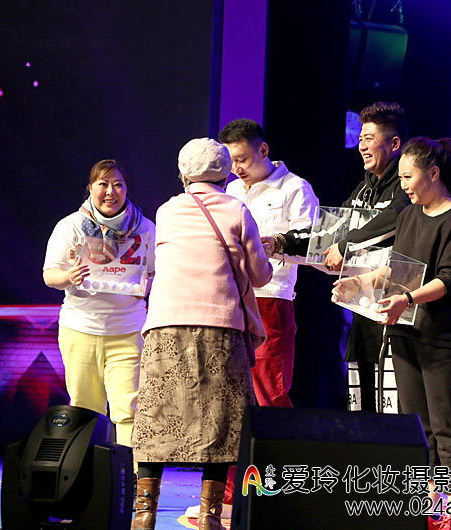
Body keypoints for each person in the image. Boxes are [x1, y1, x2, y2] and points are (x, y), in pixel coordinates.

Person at [130, 138, 272, 530]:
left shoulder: (167, 210)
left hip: (165, 325)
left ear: (183, 174)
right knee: (221, 420)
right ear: (225, 174)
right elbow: (260, 275)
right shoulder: (237, 209)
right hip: (220, 326)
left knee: (156, 417)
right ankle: (209, 515)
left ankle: (144, 513)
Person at [333, 135, 451, 483]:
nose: (403, 186)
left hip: (443, 339)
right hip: (405, 333)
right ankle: (428, 497)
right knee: (418, 426)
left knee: (446, 427)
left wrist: (409, 298)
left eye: (407, 177)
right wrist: (358, 282)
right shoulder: (410, 216)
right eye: (400, 177)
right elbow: (399, 268)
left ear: (433, 173)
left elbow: (449, 279)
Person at [265, 101, 410, 411]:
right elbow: (329, 232)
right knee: (360, 401)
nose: (362, 146)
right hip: (362, 309)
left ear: (394, 143)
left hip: (396, 313)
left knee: (392, 408)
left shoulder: (406, 187)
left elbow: (395, 217)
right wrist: (281, 242)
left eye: (369, 138)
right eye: (360, 139)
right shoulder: (362, 190)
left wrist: (347, 245)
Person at [43, 159, 155, 447]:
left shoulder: (146, 228)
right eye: (103, 184)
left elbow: (159, 273)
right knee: (84, 408)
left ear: (126, 189)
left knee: (128, 408)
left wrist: (147, 285)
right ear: (90, 188)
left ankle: (129, 473)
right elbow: (50, 275)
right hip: (80, 328)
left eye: (118, 184)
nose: (110, 191)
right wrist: (69, 276)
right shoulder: (70, 226)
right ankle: (85, 471)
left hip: (128, 330)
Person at [219, 118, 319, 408]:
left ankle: (277, 440)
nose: (237, 168)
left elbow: (313, 247)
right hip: (232, 298)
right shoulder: (232, 190)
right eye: (231, 162)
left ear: (263, 150)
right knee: (230, 388)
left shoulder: (294, 188)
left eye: (242, 159)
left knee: (269, 389)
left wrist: (275, 245)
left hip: (270, 298)